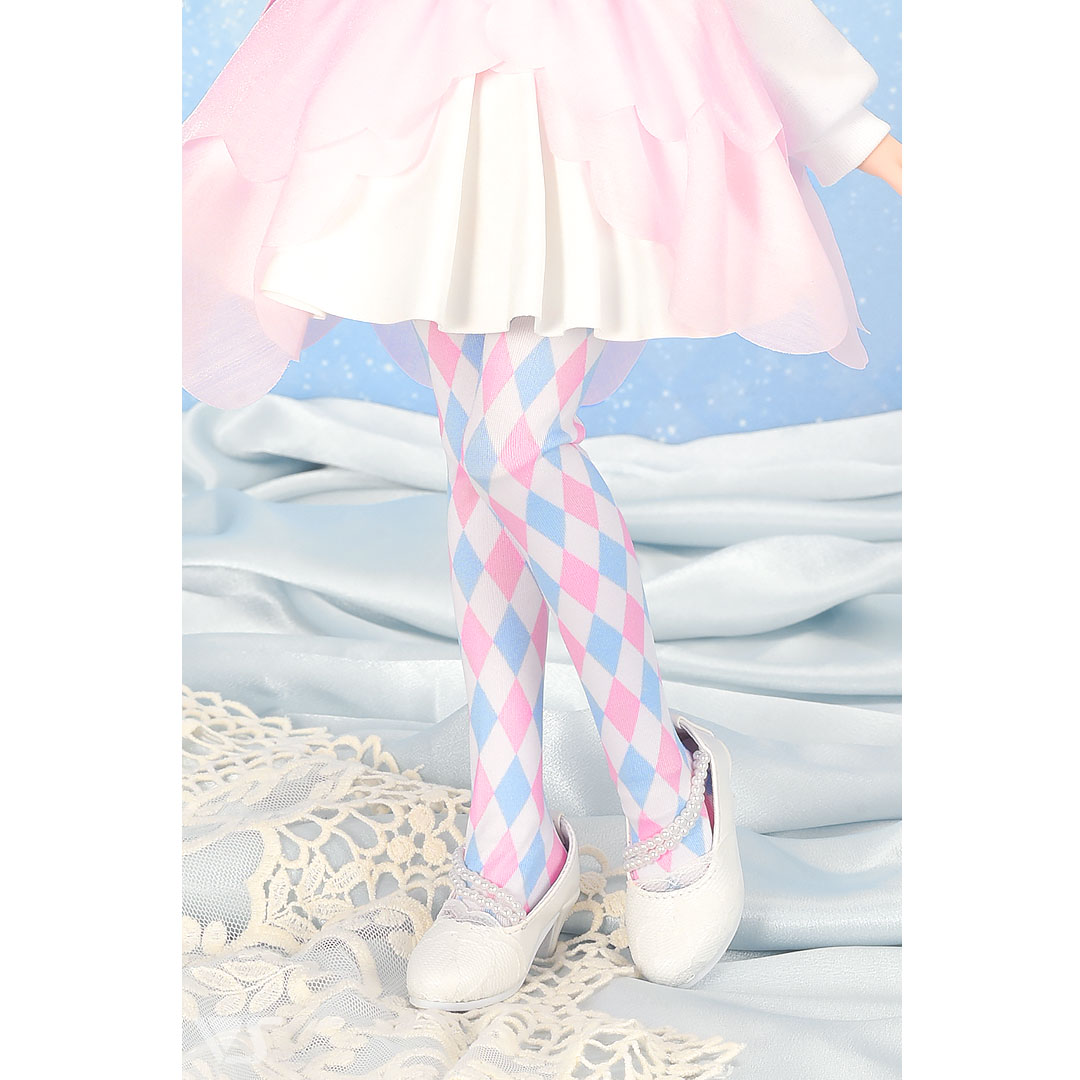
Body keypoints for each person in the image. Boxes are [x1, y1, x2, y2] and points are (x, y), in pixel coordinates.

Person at [182, 0, 901, 1011]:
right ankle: (511, 833)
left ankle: (662, 786)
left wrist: (854, 131)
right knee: (475, 458)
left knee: (513, 446)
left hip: (581, 110)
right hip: (428, 95)